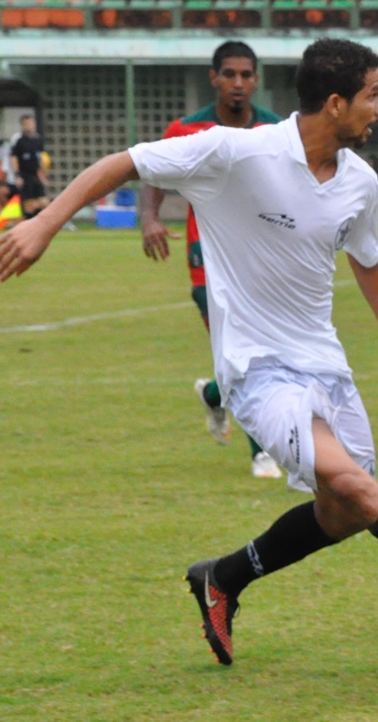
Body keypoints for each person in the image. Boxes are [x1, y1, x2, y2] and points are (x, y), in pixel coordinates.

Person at [0, 37, 378, 668]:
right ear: (335, 103)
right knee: (355, 487)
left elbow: (369, 258)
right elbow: (122, 163)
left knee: (342, 513)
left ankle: (223, 577)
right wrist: (44, 223)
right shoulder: (238, 151)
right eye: (371, 96)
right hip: (255, 368)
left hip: (325, 365)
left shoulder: (359, 182)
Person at [137, 40, 288, 482]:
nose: (238, 83)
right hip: (206, 258)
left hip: (259, 257)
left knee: (255, 355)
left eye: (246, 75)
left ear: (256, 80)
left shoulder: (273, 130)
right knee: (242, 354)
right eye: (230, 74)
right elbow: (151, 175)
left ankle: (215, 396)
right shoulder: (185, 129)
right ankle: (262, 453)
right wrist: (148, 217)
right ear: (214, 78)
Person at [10, 114, 51, 219]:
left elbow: (41, 157)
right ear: (22, 125)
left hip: (35, 174)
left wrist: (44, 173)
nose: (29, 125)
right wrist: (17, 175)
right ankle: (28, 222)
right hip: (24, 175)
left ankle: (43, 220)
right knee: (28, 204)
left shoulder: (38, 139)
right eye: (27, 123)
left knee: (44, 200)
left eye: (31, 123)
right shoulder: (18, 140)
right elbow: (14, 158)